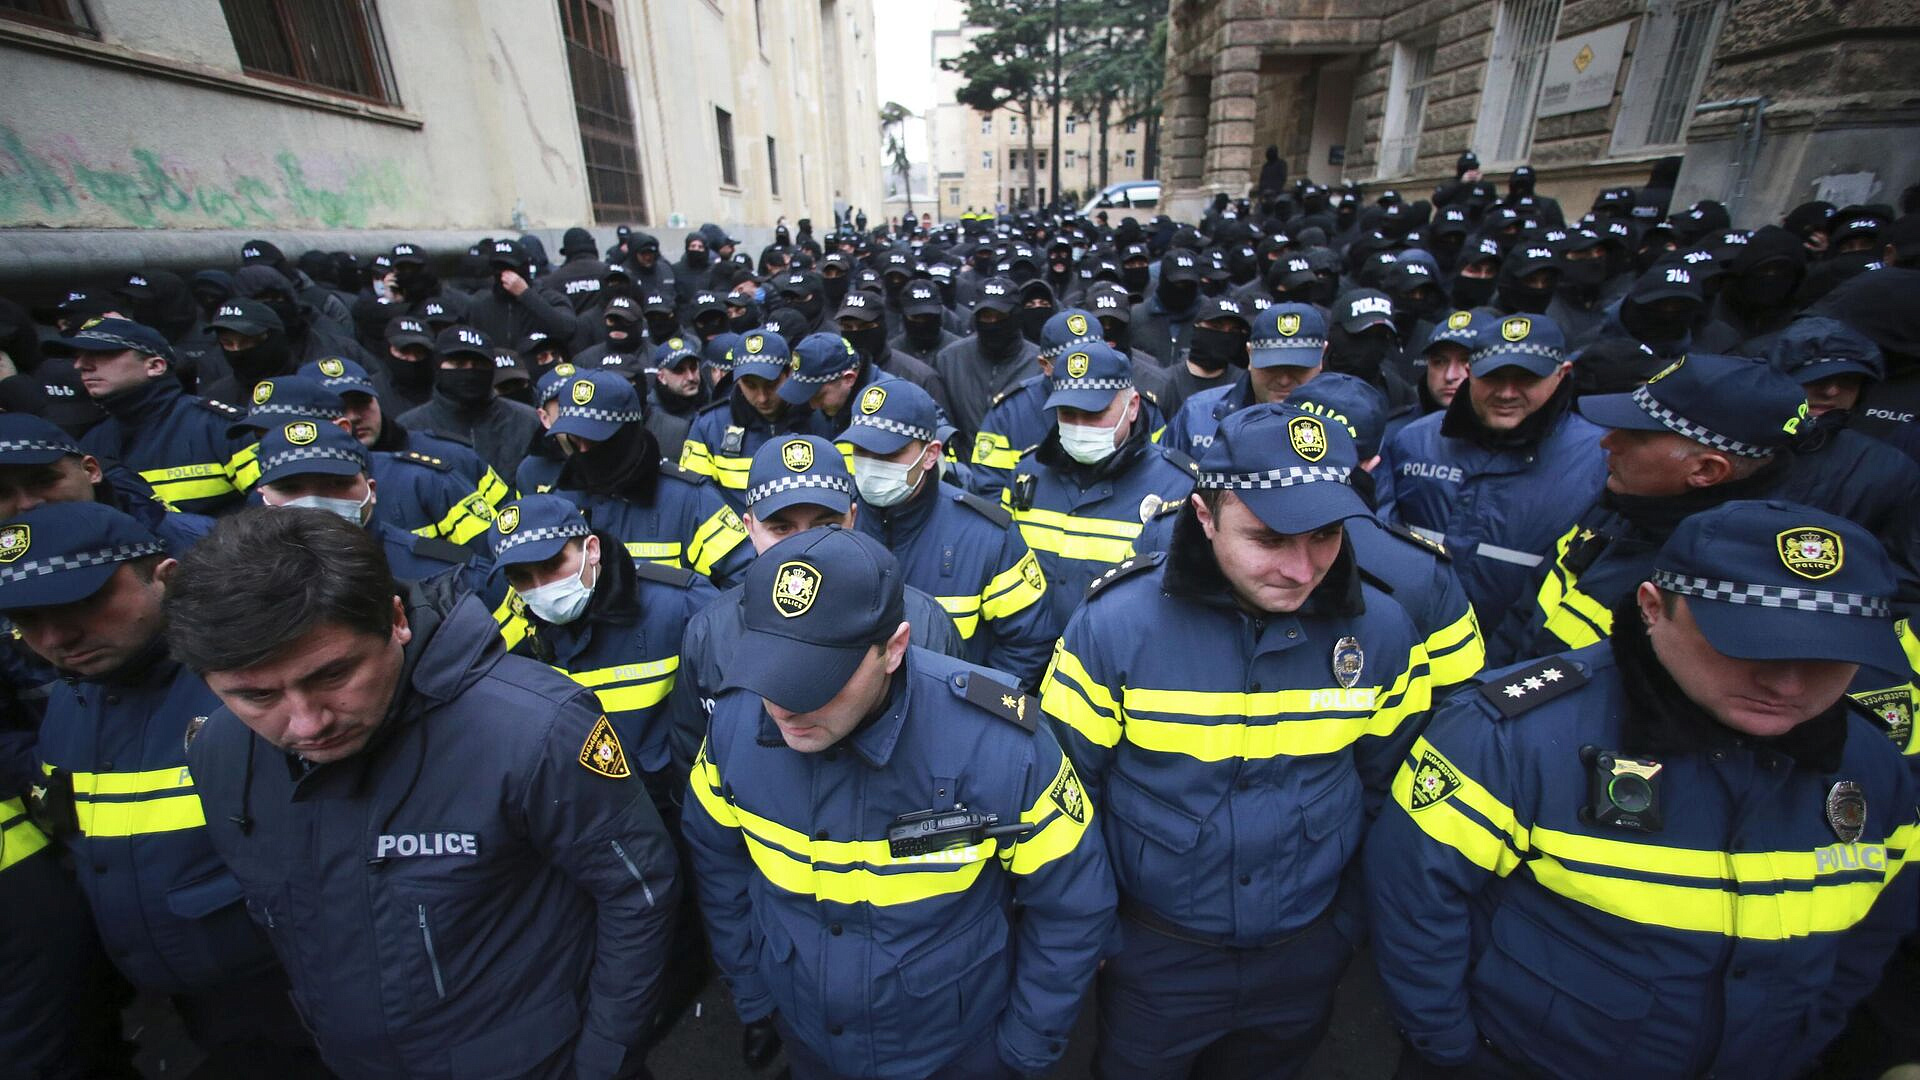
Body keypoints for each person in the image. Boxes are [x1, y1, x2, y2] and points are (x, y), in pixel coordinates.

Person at [1367, 500, 1920, 1080]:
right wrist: (1455, 1053)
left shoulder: (1874, 767)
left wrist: (1800, 1041)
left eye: (1831, 655)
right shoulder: (1511, 737)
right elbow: (1414, 905)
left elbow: (1870, 935)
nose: (1786, 682)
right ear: (1654, 608)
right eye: (1750, 642)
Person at [165, 507, 681, 1078]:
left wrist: (605, 1059)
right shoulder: (220, 754)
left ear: (395, 620)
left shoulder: (534, 731)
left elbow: (637, 892)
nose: (307, 724)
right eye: (257, 697)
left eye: (333, 675)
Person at [1043, 403, 1432, 1079]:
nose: (1303, 569)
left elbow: (1391, 790)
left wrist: (1343, 926)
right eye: (1269, 539)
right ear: (1203, 516)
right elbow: (1067, 793)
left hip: (1303, 953)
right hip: (1156, 952)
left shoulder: (1385, 632)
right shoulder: (1112, 631)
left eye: (1326, 536)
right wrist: (1105, 933)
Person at [683, 526, 1116, 1080]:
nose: (784, 708)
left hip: (956, 1050)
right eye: (772, 669)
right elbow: (716, 858)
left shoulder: (1001, 743)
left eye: (818, 679)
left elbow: (1073, 903)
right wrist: (751, 988)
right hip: (808, 1036)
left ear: (894, 648)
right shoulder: (732, 732)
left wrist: (1025, 1048)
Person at [1, 502, 322, 1072]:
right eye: (26, 618)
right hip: (192, 1007)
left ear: (165, 578)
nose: (55, 637)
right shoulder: (71, 702)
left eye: (81, 602)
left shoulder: (249, 690)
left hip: (299, 996)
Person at [678, 434, 965, 742]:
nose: (805, 547)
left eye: (824, 526)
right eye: (782, 528)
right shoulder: (710, 632)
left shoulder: (924, 621)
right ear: (749, 528)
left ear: (853, 518)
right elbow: (694, 748)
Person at [490, 494, 714, 818]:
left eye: (552, 565)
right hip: (589, 814)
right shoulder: (520, 623)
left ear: (591, 549)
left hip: (681, 806)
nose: (541, 588)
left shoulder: (679, 605)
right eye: (522, 577)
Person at [1380, 313, 1606, 621]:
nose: (1507, 392)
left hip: (1521, 659)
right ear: (1471, 373)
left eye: (1526, 378)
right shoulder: (1413, 441)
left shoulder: (1599, 459)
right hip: (1416, 641)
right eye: (1493, 377)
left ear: (1562, 373)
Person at [841, 380, 1059, 688]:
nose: (871, 465)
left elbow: (1029, 642)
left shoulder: (985, 535)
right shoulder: (835, 520)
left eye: (889, 453)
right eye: (861, 451)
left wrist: (970, 707)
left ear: (930, 455)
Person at [1005, 341, 1200, 625]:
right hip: (1032, 658)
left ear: (1132, 407)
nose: (1080, 426)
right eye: (1068, 414)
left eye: (1095, 414)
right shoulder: (1027, 473)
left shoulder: (1177, 485)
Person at [550, 369, 753, 586]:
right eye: (575, 439)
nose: (584, 451)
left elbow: (745, 582)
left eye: (595, 440)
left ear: (627, 435)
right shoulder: (559, 504)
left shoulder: (688, 500)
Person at [300, 357, 510, 553]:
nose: (354, 416)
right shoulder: (283, 485)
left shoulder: (451, 457)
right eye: (340, 408)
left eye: (362, 402)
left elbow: (508, 534)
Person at [68, 317, 255, 516]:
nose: (80, 365)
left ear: (155, 366)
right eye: (78, 356)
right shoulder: (92, 442)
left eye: (100, 353)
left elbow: (275, 513)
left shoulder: (222, 428)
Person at [1162, 302, 1326, 455]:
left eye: (1297, 368)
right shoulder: (1198, 414)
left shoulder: (1346, 421)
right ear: (1249, 354)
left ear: (1322, 356)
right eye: (1271, 367)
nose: (1284, 380)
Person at [681, 328, 817, 511]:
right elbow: (693, 498)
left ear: (789, 373)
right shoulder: (709, 425)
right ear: (736, 380)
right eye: (750, 385)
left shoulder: (817, 417)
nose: (762, 397)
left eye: (771, 384)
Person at [397, 324, 544, 482]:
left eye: (479, 365)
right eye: (459, 364)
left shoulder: (527, 421)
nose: (469, 372)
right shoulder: (409, 428)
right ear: (438, 365)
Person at [933, 277, 1041, 441]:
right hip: (962, 463)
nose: (992, 323)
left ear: (1016, 315)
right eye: (986, 316)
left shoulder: (1040, 364)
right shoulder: (949, 360)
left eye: (1000, 316)